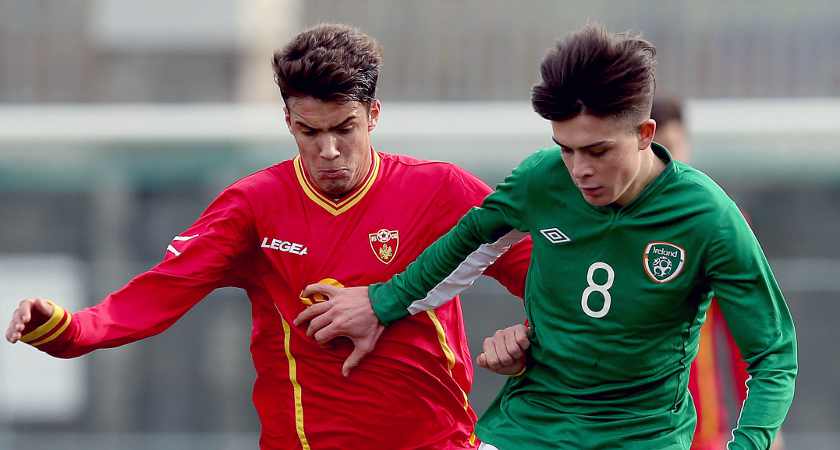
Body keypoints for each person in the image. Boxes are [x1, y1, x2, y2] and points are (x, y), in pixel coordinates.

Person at [5, 23, 532, 450]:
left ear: (373, 114)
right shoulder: (254, 205)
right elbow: (160, 291)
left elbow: (546, 275)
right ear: (288, 120)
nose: (328, 150)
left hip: (440, 444)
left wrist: (530, 338)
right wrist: (70, 329)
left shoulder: (441, 190)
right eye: (310, 131)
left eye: (344, 128)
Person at [296, 24, 798, 450]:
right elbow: (465, 243)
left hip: (642, 436)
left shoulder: (708, 216)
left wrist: (747, 444)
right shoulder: (542, 179)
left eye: (597, 151)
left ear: (646, 134)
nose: (579, 170)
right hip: (529, 427)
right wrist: (382, 303)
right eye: (566, 150)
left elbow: (772, 354)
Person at [651, 96, 782, 450]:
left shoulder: (722, 223)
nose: (669, 161)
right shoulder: (614, 227)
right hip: (631, 432)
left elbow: (748, 335)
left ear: (687, 145)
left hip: (701, 433)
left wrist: (765, 425)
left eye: (675, 146)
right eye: (658, 150)